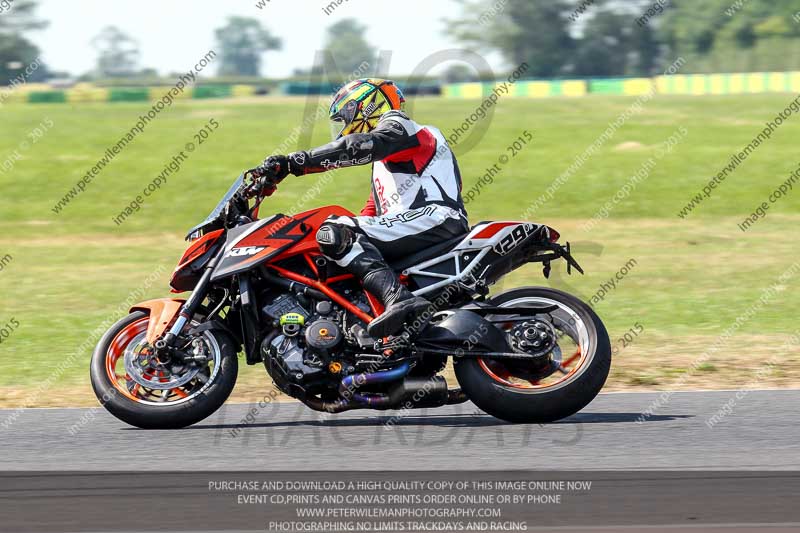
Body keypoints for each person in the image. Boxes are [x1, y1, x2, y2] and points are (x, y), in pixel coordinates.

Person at [257, 78, 469, 338]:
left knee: (335, 228)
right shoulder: (386, 162)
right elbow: (372, 211)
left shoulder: (400, 126)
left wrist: (296, 162)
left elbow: (357, 146)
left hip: (436, 217)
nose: (344, 125)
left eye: (346, 115)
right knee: (335, 234)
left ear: (368, 106)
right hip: (415, 222)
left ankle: (398, 298)